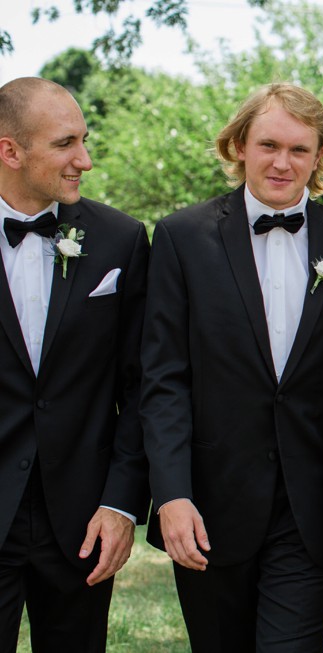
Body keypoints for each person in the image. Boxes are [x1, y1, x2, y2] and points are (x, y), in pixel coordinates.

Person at [140, 83, 323, 652]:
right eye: (269, 144)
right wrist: (171, 494)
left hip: (311, 510)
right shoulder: (180, 238)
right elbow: (163, 378)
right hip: (208, 507)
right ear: (238, 146)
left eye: (300, 149)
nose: (283, 162)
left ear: (322, 154)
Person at [0, 77, 149, 652]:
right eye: (65, 144)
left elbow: (142, 386)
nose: (83, 160)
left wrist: (120, 504)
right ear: (11, 151)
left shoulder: (120, 241)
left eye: (84, 140)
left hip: (82, 519)